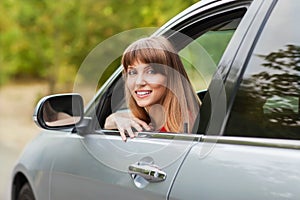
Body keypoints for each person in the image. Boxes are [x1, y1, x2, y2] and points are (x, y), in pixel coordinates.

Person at [104, 36, 201, 141]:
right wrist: (114, 119)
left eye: (151, 71)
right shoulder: (153, 119)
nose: (139, 82)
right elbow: (110, 122)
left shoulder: (185, 125)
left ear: (171, 77)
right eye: (132, 72)